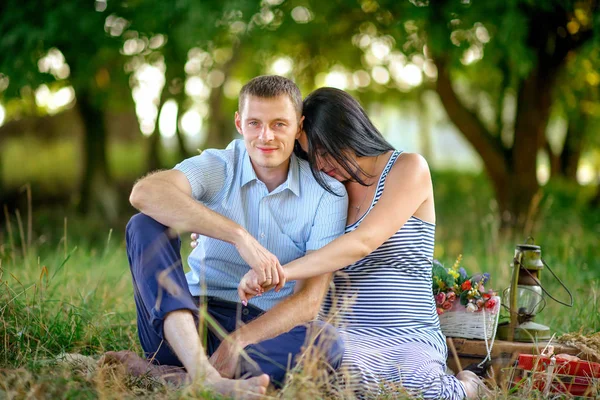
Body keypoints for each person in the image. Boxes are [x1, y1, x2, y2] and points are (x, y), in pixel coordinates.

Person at [238, 87, 486, 399]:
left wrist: (284, 272)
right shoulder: (325, 190)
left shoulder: (407, 168)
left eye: (325, 151)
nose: (320, 164)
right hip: (344, 335)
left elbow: (363, 241)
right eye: (310, 157)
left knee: (423, 391)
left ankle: (467, 386)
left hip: (407, 331)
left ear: (348, 131)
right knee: (332, 377)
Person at [116, 76, 348, 398]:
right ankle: (201, 375)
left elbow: (309, 301)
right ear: (239, 123)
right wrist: (239, 237)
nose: (265, 136)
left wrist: (236, 342)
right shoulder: (220, 166)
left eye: (279, 124)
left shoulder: (327, 193)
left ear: (299, 127)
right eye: (255, 123)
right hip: (186, 323)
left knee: (327, 341)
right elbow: (145, 192)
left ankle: (172, 378)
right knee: (144, 225)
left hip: (263, 332)